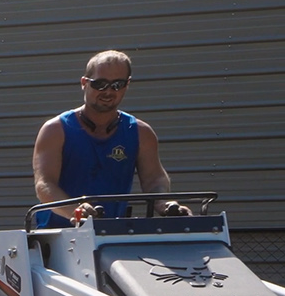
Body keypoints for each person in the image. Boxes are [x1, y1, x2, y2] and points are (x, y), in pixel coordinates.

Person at [31, 50, 186, 226]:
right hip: (56, 240)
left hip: (110, 238)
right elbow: (44, 185)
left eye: (117, 84)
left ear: (127, 85)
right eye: (100, 84)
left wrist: (164, 204)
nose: (108, 91)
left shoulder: (141, 133)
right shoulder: (55, 130)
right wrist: (76, 211)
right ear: (84, 83)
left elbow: (154, 178)